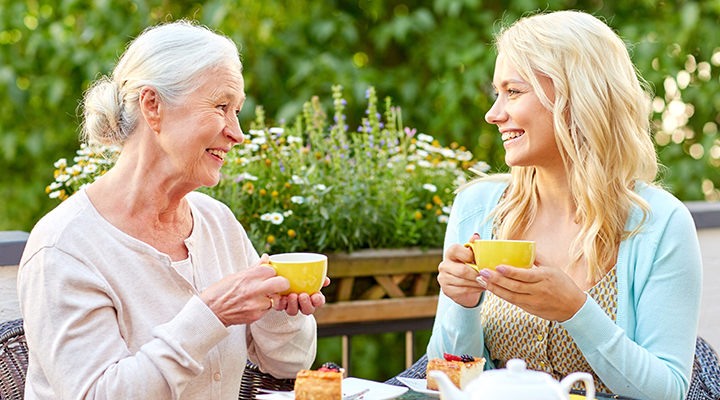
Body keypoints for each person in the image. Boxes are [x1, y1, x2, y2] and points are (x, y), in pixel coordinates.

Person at [18, 20, 327, 399]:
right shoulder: (65, 246)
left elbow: (289, 366)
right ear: (153, 107)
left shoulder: (217, 223)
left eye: (237, 110)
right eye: (221, 106)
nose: (237, 131)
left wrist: (281, 310)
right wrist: (209, 315)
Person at [427, 10, 702, 400]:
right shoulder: (478, 208)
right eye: (496, 93)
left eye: (513, 91)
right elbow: (446, 380)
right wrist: (463, 304)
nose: (494, 114)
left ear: (576, 96)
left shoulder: (660, 224)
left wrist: (577, 310)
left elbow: (668, 390)